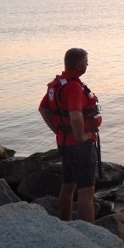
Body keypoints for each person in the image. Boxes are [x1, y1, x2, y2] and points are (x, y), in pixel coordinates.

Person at [39, 48, 102, 223]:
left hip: (64, 143)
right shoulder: (73, 87)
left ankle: (65, 222)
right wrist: (81, 136)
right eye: (87, 63)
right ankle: (90, 233)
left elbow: (43, 109)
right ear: (80, 65)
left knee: (68, 185)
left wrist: (58, 130)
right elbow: (75, 116)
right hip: (79, 146)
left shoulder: (57, 84)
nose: (88, 65)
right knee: (86, 190)